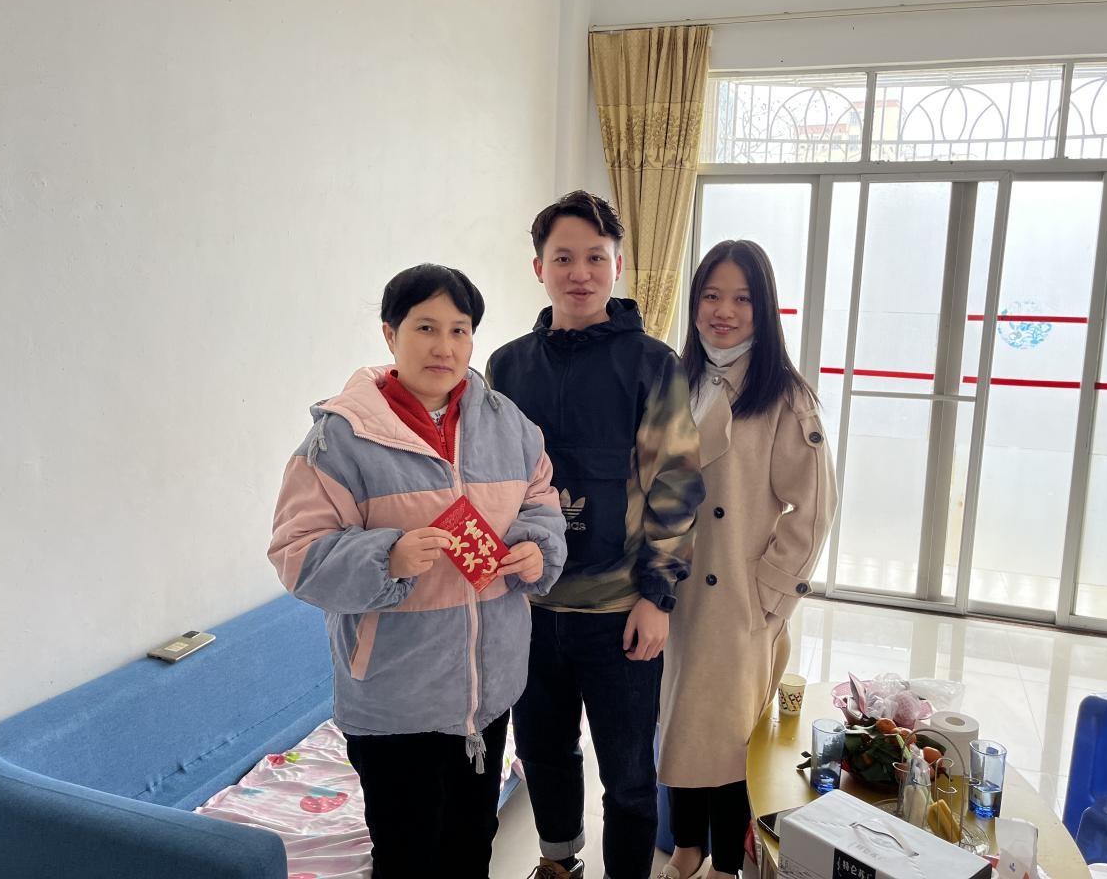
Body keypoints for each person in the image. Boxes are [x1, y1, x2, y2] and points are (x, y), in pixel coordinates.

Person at [268, 264, 567, 879]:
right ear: (390, 334)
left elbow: (543, 503)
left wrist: (539, 548)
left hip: (487, 696)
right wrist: (388, 557)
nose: (444, 346)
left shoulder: (509, 425)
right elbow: (296, 552)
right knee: (406, 854)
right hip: (394, 701)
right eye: (425, 327)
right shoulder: (340, 439)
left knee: (471, 845)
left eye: (460, 330)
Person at [487, 190, 706, 879]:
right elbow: (489, 482)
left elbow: (676, 485)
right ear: (538, 268)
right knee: (542, 752)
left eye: (594, 258)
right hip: (528, 607)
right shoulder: (506, 367)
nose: (578, 273)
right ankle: (558, 862)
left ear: (617, 265)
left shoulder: (652, 364)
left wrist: (656, 598)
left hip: (619, 610)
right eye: (562, 258)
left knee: (629, 772)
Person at [655, 241, 838, 879]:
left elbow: (813, 509)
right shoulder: (680, 379)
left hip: (735, 595)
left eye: (741, 298)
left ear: (764, 309)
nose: (724, 311)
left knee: (729, 739)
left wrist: (768, 595)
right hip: (672, 589)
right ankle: (686, 850)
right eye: (711, 295)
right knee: (681, 726)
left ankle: (726, 864)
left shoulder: (783, 394)